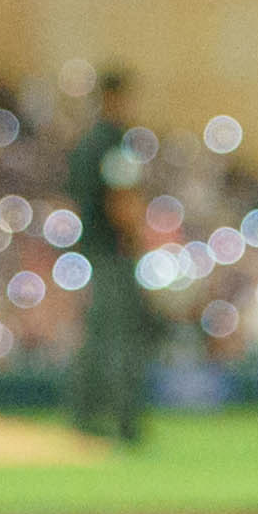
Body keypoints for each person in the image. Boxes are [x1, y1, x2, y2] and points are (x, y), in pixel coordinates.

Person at [58, 73, 154, 447]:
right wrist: (138, 238)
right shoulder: (114, 143)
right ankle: (125, 421)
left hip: (93, 251)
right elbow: (122, 201)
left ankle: (83, 417)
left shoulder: (86, 144)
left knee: (97, 337)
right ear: (115, 98)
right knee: (122, 340)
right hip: (115, 252)